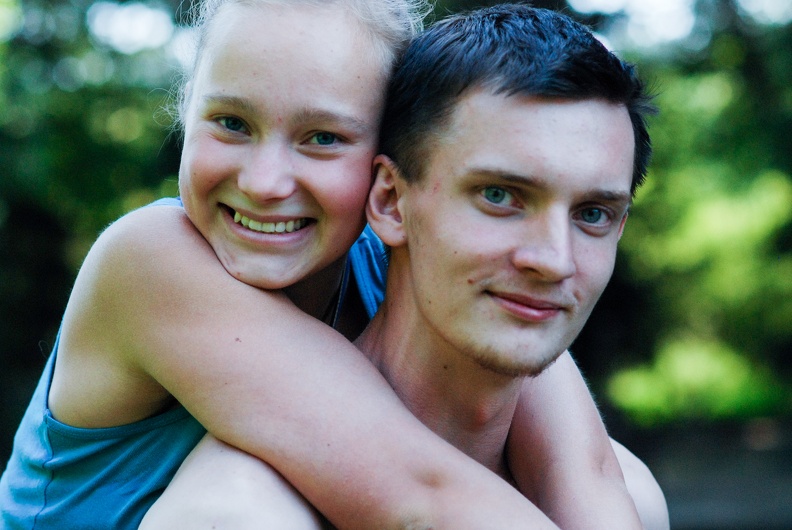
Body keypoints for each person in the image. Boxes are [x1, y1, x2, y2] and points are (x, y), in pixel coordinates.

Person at [0, 0, 659, 529]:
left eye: (323, 138)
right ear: (185, 113)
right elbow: (419, 495)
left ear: (385, 170)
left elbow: (586, 476)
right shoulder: (150, 259)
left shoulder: (416, 258)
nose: (264, 182)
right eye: (231, 123)